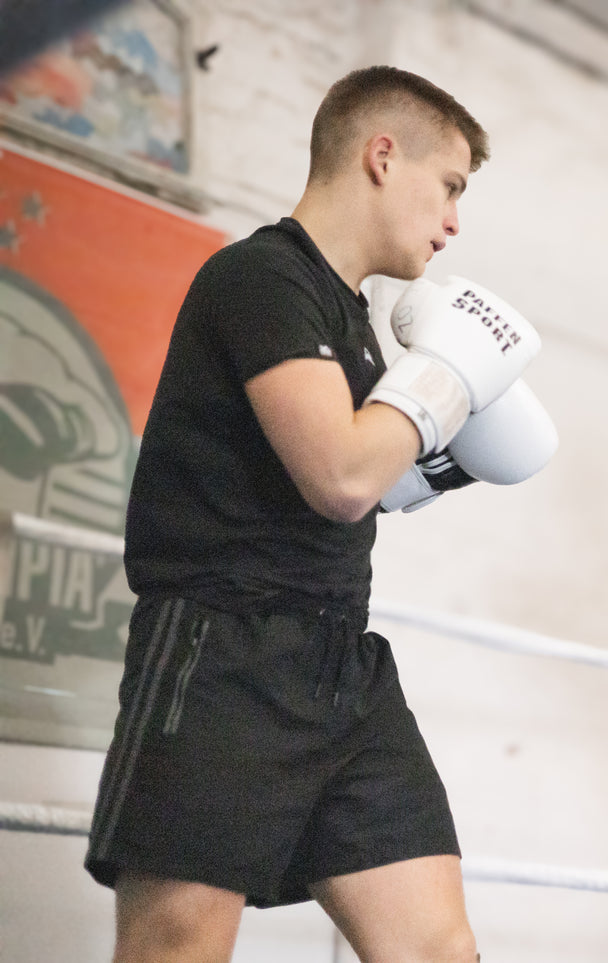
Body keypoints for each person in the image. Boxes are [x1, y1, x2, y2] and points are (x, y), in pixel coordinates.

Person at [84, 65, 545, 962]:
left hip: (342, 666)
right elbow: (337, 474)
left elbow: (359, 488)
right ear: (382, 156)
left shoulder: (356, 321)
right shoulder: (260, 277)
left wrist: (441, 461)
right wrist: (447, 375)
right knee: (176, 945)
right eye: (449, 186)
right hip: (224, 656)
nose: (455, 219)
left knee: (438, 949)